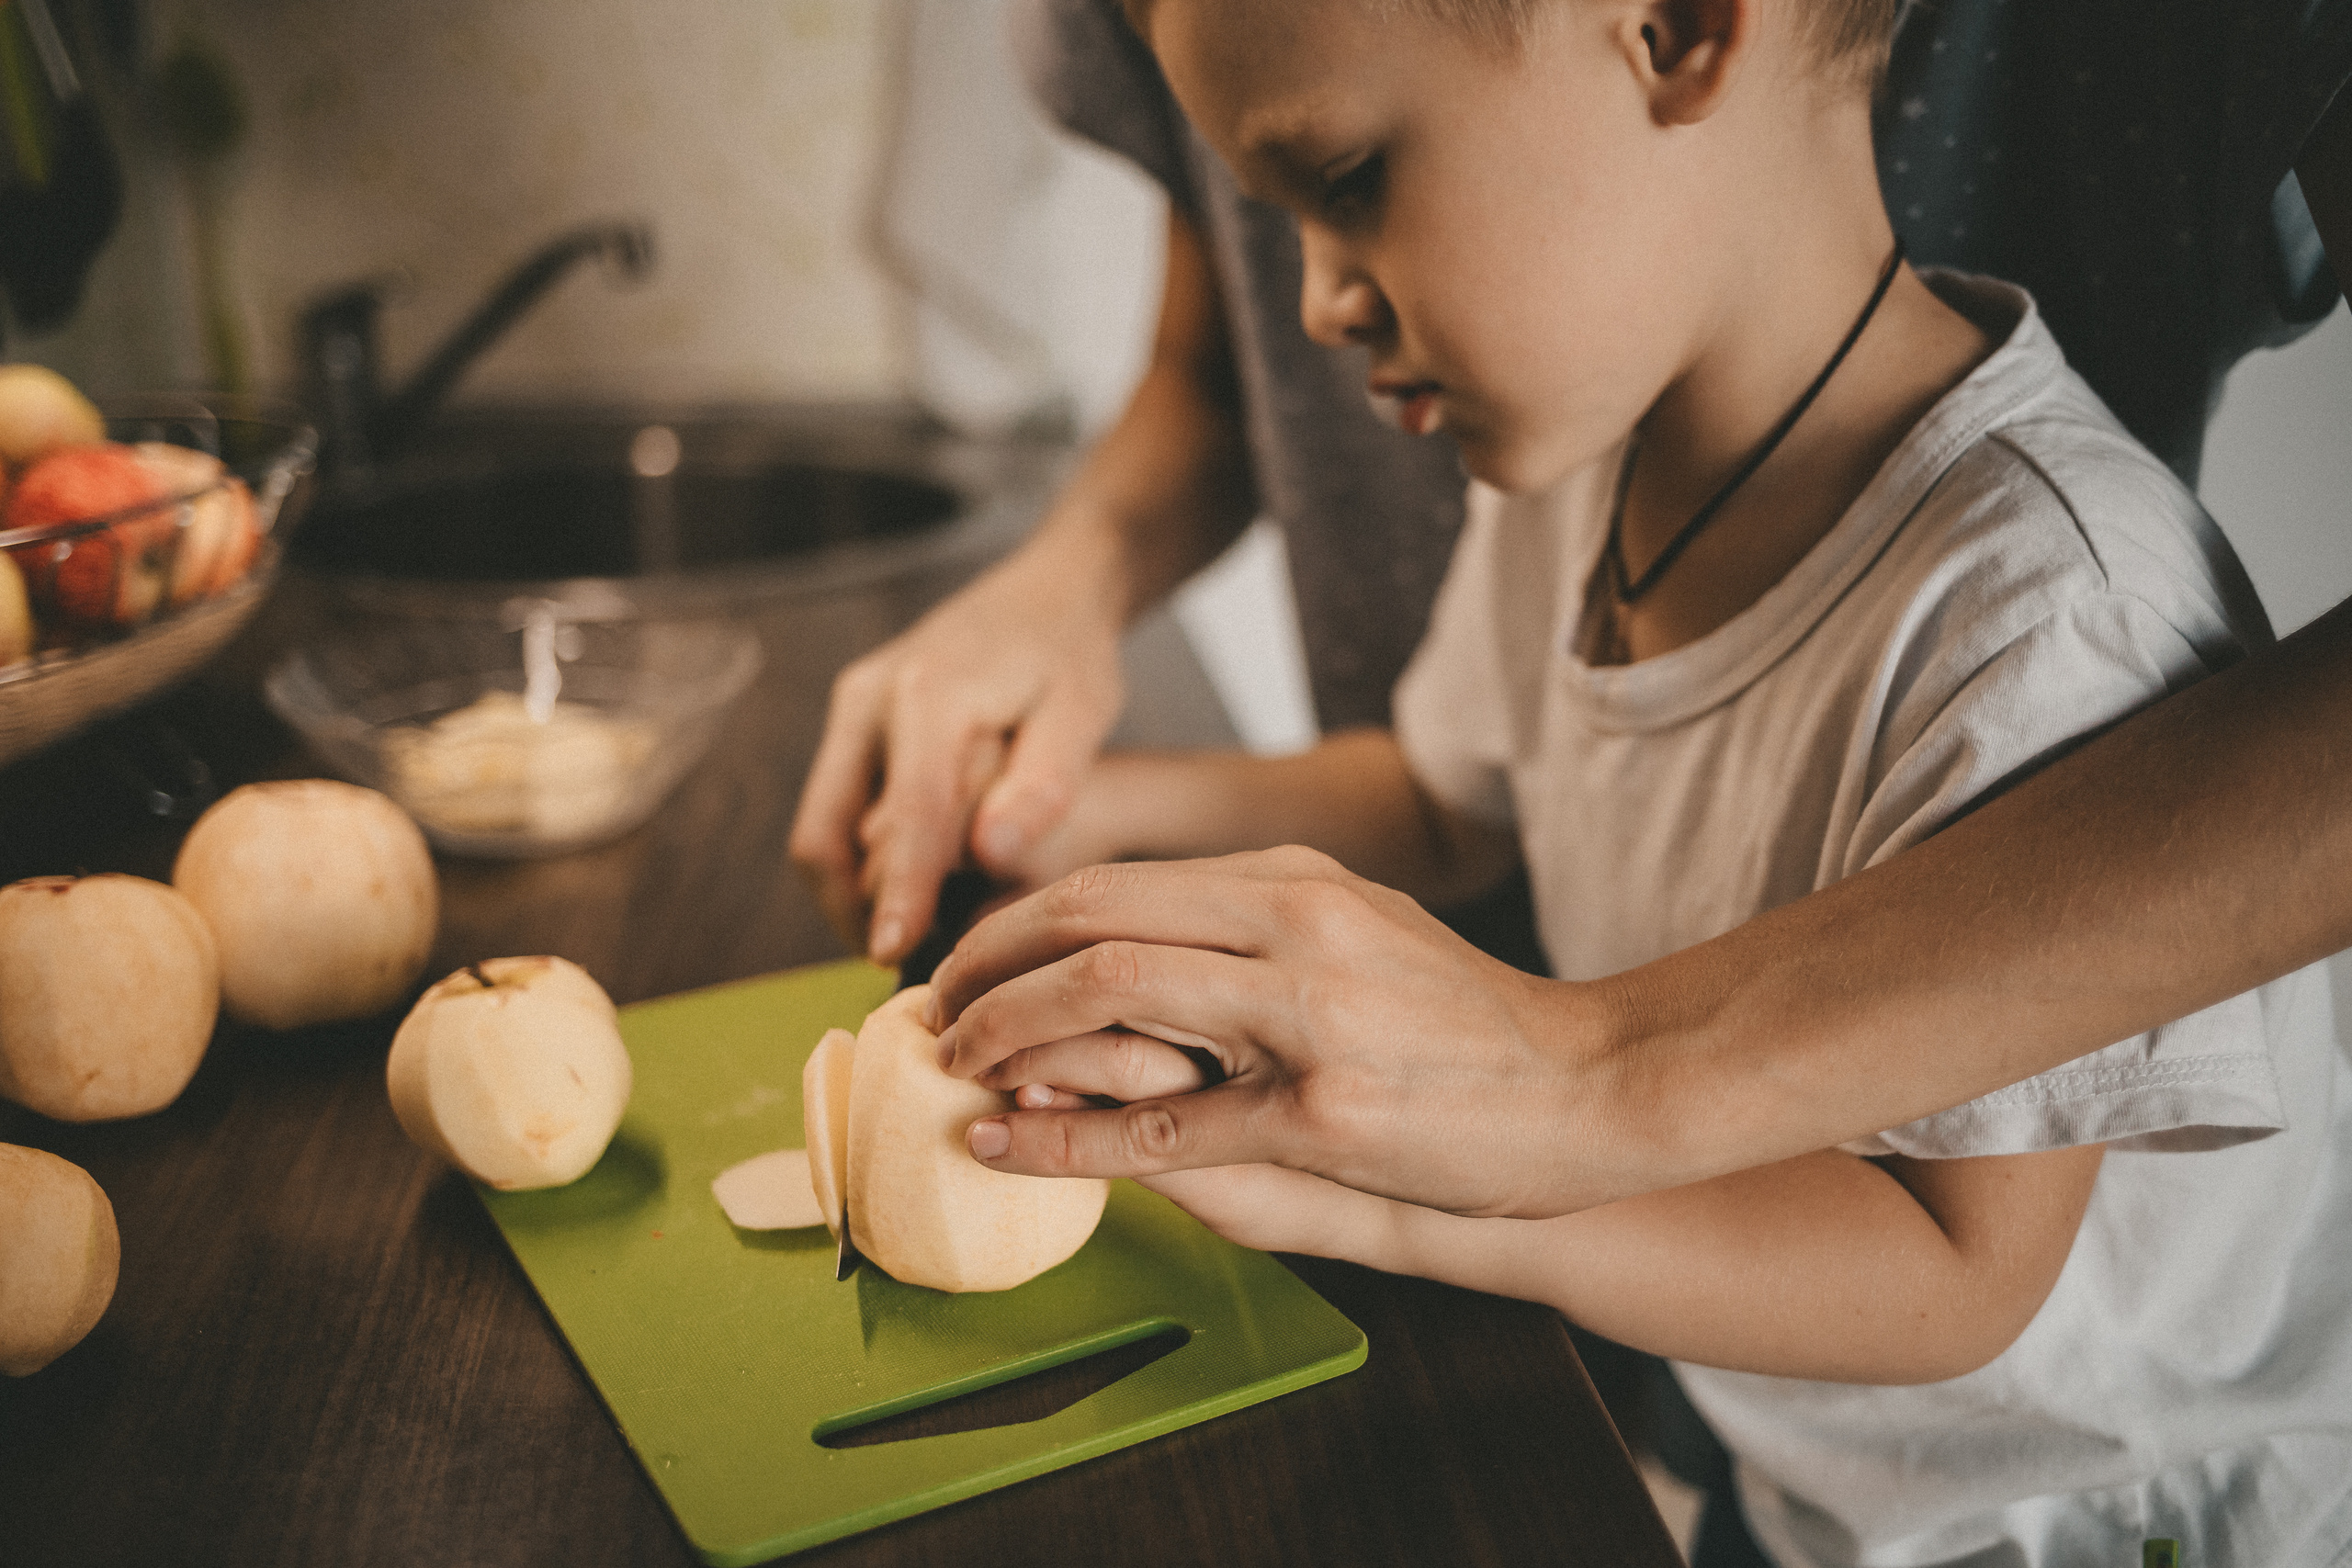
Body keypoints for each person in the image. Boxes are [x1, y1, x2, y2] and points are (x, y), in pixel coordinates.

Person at [927, 1, 2352, 1563]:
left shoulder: (2046, 612)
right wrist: (1090, 820)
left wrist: (1395, 1194)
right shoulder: (1583, 472)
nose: (1320, 302)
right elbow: (1439, 793)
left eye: (1346, 180)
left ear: (1676, 31)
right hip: (1806, 1480)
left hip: (2078, 1535)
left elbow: (1955, 1280)